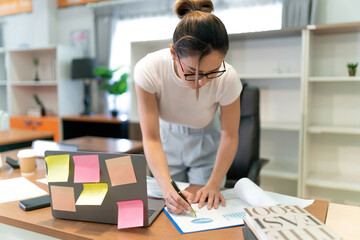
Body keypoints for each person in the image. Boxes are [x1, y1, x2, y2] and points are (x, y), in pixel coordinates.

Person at [134, 0, 242, 215]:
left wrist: (214, 183)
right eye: (193, 72)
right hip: (165, 141)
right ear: (173, 52)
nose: (201, 82)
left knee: (204, 207)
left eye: (212, 72)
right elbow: (151, 137)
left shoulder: (228, 78)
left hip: (206, 141)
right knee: (171, 205)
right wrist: (167, 188)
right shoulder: (149, 69)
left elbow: (229, 135)